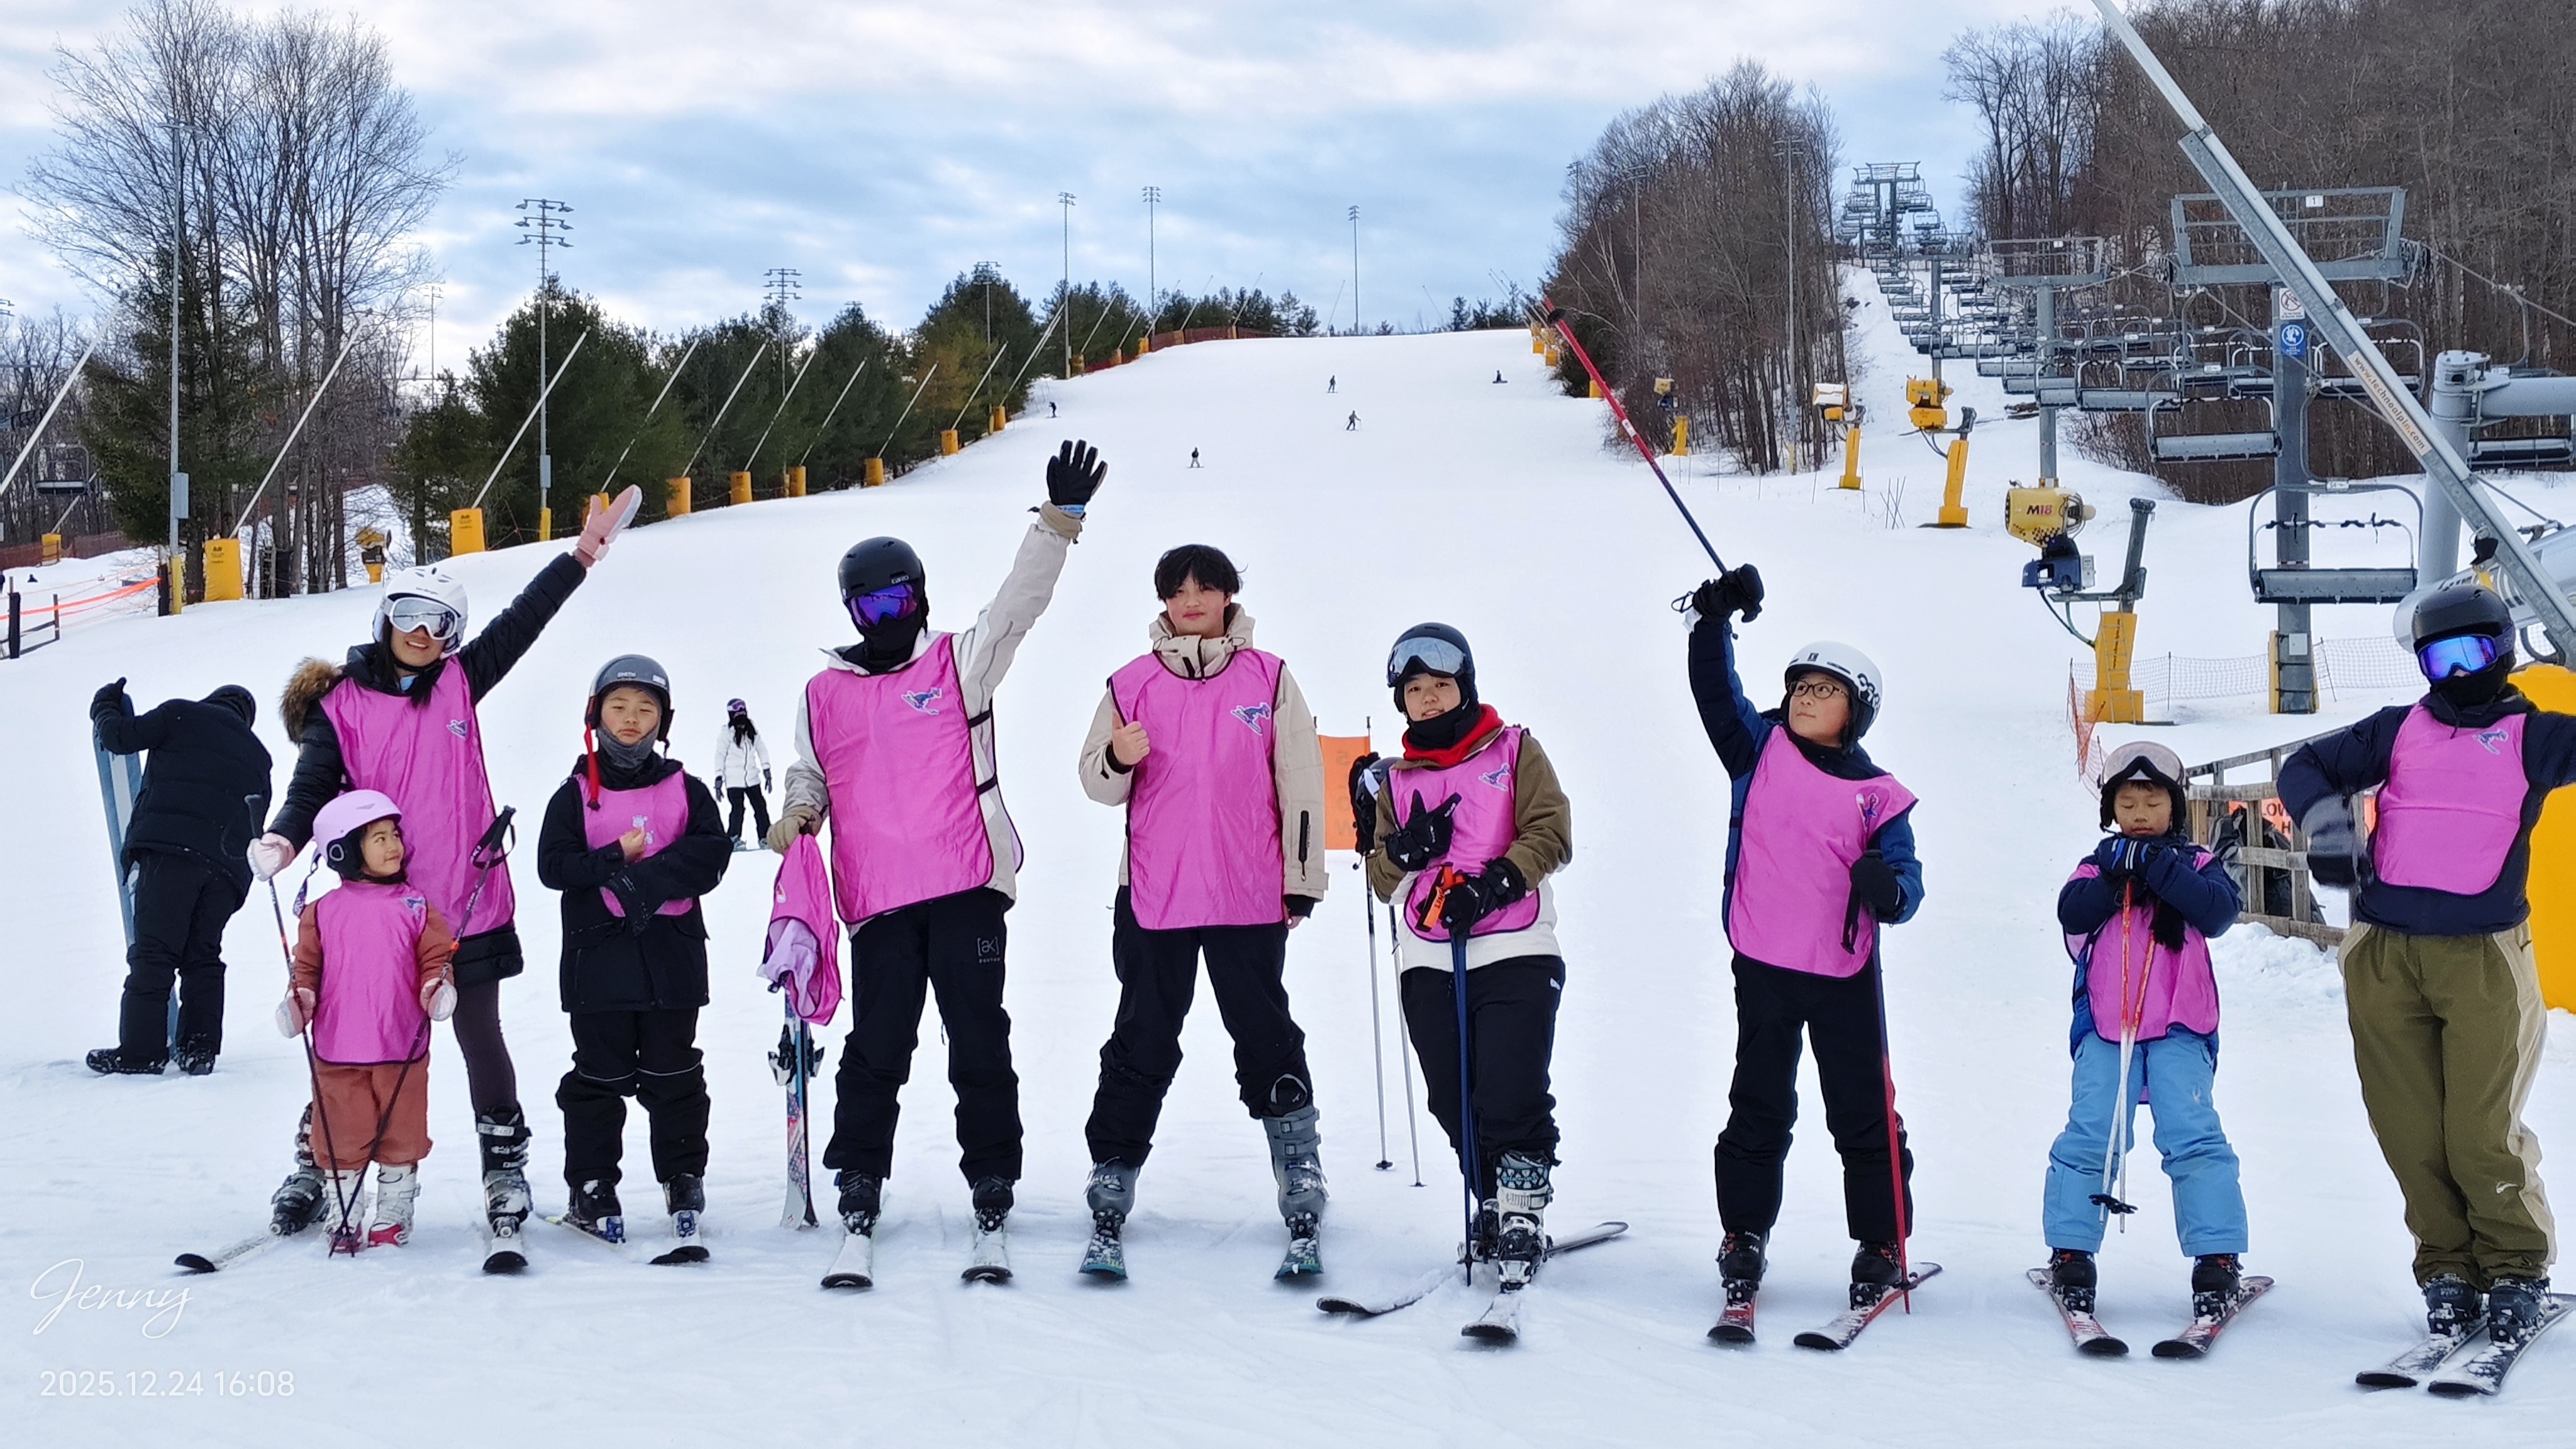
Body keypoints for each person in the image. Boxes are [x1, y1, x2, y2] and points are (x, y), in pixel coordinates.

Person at [249, 487, 639, 1238]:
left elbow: (524, 621)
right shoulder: (341, 705)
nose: (424, 634)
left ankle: (504, 1167)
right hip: (375, 912)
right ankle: (318, 1160)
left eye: (441, 623)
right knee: (350, 1039)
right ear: (385, 619)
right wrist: (285, 840)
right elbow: (309, 789)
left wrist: (582, 555)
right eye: (409, 618)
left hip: (465, 897)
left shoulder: (462, 680)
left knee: (478, 1032)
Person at [771, 439, 1107, 1284]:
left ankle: (990, 1185)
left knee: (978, 1038)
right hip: (879, 896)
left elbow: (1016, 608)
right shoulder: (825, 692)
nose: (883, 618)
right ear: (851, 613)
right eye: (867, 606)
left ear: (918, 598)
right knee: (877, 1046)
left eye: (896, 600)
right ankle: (859, 1185)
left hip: (965, 886)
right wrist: (798, 811)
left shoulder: (960, 663)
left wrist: (1058, 525)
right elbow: (812, 767)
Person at [2279, 582, 2576, 1349]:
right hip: (2384, 956)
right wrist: (2329, 823)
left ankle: (2514, 1267)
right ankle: (2446, 1265)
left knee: (2479, 1129)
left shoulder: (2536, 737)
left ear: (2502, 650)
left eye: (2469, 653)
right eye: (2436, 657)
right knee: (2408, 1128)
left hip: (2481, 957)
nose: (2454, 672)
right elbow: (2304, 765)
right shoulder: (2396, 730)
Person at [1075, 542, 1331, 1277]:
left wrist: (1301, 879)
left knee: (1265, 1034)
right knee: (1143, 1036)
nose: (1192, 598)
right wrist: (1118, 757)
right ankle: (1113, 1167)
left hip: (1246, 892)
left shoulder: (1269, 677)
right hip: (1155, 896)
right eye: (1178, 589)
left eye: (1206, 586)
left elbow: (1302, 781)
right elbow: (1095, 783)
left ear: (1227, 597)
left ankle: (1300, 1167)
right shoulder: (1130, 683)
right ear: (1162, 602)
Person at [1685, 564, 1925, 1316]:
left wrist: (1888, 890)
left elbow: (1907, 885)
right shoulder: (1757, 751)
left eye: (1824, 692)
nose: (1804, 698)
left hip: (1841, 971)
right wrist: (1714, 618)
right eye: (1799, 687)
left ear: (1855, 713)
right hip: (1762, 962)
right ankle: (1743, 1233)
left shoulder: (1878, 794)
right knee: (1758, 1104)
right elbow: (1714, 691)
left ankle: (1881, 1241)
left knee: (1859, 1109)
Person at [1357, 624, 1572, 1289]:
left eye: (1439, 685)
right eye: (1413, 689)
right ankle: (1491, 1199)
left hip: (1513, 945)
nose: (1426, 698)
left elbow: (1553, 831)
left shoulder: (1514, 750)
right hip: (1429, 955)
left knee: (1509, 1088)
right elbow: (1380, 880)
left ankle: (1522, 1209)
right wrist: (1403, 851)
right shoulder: (1393, 781)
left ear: (1465, 686)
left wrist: (1496, 882)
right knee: (1453, 1097)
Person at [2043, 741, 2250, 1324]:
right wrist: (2117, 877)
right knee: (2092, 1133)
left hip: (2180, 1026)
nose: (2139, 810)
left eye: (2152, 799)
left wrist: (2160, 869)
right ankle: (2072, 1252)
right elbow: (2073, 913)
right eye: (2127, 800)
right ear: (2111, 808)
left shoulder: (2197, 865)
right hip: (2108, 1029)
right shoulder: (2097, 866)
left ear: (2174, 807)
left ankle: (2217, 1259)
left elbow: (2216, 912)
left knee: (2193, 1134)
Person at [536, 655, 730, 1250]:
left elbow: (710, 855)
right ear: (596, 714)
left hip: (672, 961)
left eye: (645, 709)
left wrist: (649, 880)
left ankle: (682, 1176)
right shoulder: (573, 796)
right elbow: (554, 867)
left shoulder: (687, 789)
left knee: (674, 1073)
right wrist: (615, 861)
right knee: (599, 1076)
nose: (632, 719)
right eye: (619, 707)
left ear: (662, 721)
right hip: (599, 964)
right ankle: (593, 1184)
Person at [279, 790, 457, 1252]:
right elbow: (307, 966)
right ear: (343, 852)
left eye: (394, 834)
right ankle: (345, 1210)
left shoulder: (416, 906)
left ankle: (394, 1210)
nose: (393, 845)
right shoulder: (322, 912)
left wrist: (436, 988)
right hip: (339, 1048)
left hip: (401, 1045)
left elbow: (436, 956)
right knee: (343, 1131)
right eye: (379, 838)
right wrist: (300, 998)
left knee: (403, 1133)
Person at [86, 679, 271, 1075]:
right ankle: (198, 1049)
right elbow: (257, 823)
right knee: (203, 956)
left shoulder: (181, 714)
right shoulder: (260, 758)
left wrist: (104, 705)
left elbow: (119, 738)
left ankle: (141, 1052)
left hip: (171, 853)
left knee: (154, 954)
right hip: (225, 871)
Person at [712, 698, 773, 852]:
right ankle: (733, 838)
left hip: (752, 778)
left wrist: (767, 770)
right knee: (738, 809)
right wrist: (719, 778)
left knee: (760, 807)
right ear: (731, 715)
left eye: (743, 712)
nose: (741, 716)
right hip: (734, 780)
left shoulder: (752, 732)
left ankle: (765, 837)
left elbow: (762, 750)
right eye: (737, 713)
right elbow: (720, 755)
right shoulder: (726, 734)